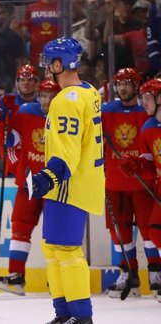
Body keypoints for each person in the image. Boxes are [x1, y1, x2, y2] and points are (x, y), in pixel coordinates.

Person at [32, 37, 104, 324]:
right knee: (52, 247)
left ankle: (80, 316)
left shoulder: (65, 100)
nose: (47, 67)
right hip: (81, 180)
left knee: (65, 249)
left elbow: (68, 148)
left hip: (68, 184)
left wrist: (49, 175)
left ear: (59, 64)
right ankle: (63, 314)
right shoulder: (89, 92)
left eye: (50, 61)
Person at [0, 79, 61, 296]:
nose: (47, 100)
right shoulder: (25, 112)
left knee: (56, 233)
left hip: (55, 183)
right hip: (30, 181)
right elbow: (10, 140)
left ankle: (58, 279)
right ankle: (16, 276)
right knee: (20, 227)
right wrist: (2, 118)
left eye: (52, 96)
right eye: (43, 95)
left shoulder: (65, 116)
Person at [102, 67, 161, 298]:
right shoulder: (107, 111)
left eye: (127, 82)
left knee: (151, 231)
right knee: (119, 232)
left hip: (143, 185)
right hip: (116, 182)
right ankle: (128, 274)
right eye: (119, 82)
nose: (123, 87)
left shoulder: (147, 118)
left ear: (137, 86)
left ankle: (156, 273)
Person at [119, 77, 161, 302]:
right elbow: (150, 167)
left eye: (147, 98)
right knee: (156, 231)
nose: (143, 102)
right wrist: (136, 165)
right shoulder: (148, 128)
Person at [0, 64, 40, 174]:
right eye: (22, 80)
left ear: (36, 83)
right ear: (17, 82)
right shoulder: (6, 102)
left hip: (36, 148)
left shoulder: (43, 103)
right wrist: (1, 112)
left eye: (30, 80)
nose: (25, 83)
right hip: (13, 150)